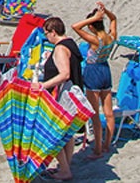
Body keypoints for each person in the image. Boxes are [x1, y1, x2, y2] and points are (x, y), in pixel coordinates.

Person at [32, 17, 84, 180]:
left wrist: (43, 85)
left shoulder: (61, 49)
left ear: (53, 32)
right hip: (72, 96)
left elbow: (64, 74)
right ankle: (65, 167)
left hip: (62, 98)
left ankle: (65, 170)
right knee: (66, 136)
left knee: (51, 135)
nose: (46, 37)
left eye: (47, 34)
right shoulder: (71, 43)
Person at [71, 3, 118, 160]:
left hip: (93, 73)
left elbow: (75, 27)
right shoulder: (111, 37)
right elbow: (114, 19)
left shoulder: (94, 40)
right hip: (106, 70)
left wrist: (94, 17)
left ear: (91, 26)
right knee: (109, 113)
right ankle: (107, 145)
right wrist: (105, 13)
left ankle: (97, 149)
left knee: (95, 115)